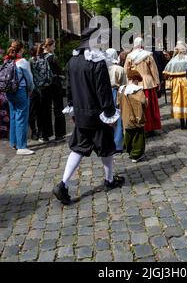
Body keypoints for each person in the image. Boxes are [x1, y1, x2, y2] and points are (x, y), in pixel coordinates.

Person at [52, 27, 125, 205]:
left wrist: (72, 108)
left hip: (82, 114)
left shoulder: (72, 61)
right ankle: (108, 181)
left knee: (78, 148)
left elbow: (68, 89)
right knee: (106, 147)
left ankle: (63, 184)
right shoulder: (97, 62)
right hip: (98, 115)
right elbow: (103, 92)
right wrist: (110, 115)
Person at [124, 37, 161, 136]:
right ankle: (150, 128)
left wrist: (128, 83)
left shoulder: (129, 56)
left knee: (137, 107)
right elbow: (154, 70)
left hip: (135, 84)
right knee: (149, 107)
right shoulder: (147, 55)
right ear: (142, 44)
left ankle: (140, 127)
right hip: (148, 83)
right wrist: (157, 82)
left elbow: (126, 71)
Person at [4, 41, 34, 155]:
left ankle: (14, 142)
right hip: (20, 91)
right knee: (21, 117)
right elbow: (29, 79)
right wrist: (31, 89)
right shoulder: (23, 62)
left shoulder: (7, 60)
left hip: (9, 91)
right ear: (21, 49)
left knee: (13, 115)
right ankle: (22, 146)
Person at [37, 39, 66, 143]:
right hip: (54, 86)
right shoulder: (52, 57)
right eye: (53, 46)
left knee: (45, 110)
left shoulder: (38, 57)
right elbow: (59, 71)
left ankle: (44, 135)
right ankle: (59, 135)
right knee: (58, 110)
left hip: (43, 87)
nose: (54, 48)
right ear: (48, 46)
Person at [163, 41, 187, 129]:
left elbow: (166, 73)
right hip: (186, 81)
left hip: (176, 83)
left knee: (179, 101)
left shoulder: (173, 60)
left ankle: (182, 123)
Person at [118, 69, 148, 163]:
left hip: (126, 117)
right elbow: (143, 102)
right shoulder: (138, 91)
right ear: (135, 79)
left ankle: (130, 151)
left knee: (128, 134)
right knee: (138, 135)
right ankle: (136, 155)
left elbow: (118, 102)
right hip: (137, 116)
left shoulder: (122, 89)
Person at [105, 48, 127, 152]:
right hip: (117, 94)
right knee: (118, 118)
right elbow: (124, 84)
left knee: (107, 118)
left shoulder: (103, 68)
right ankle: (118, 144)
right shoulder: (120, 69)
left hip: (105, 95)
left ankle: (107, 143)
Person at [29, 45, 41, 140]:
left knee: (36, 112)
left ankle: (37, 131)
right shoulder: (30, 61)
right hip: (36, 89)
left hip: (37, 89)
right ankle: (35, 131)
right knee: (34, 112)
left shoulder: (30, 61)